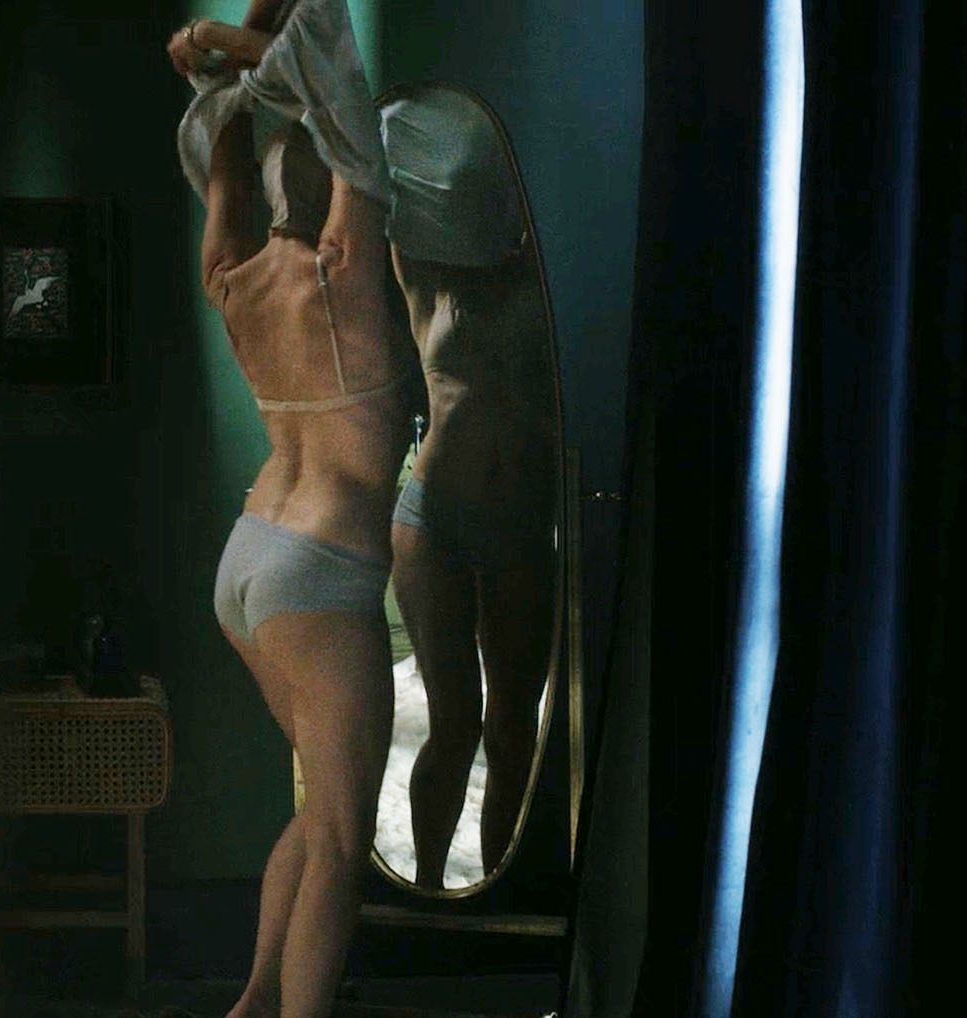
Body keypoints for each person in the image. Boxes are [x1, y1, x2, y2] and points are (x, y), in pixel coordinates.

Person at [167, 2, 414, 1016]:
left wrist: (231, 44)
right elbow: (343, 113)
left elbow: (226, 128)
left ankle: (252, 1003)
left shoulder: (232, 274)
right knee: (345, 841)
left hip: (252, 558)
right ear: (339, 182)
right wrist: (249, 51)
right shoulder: (344, 267)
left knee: (315, 815)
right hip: (320, 567)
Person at [381, 88, 560, 890]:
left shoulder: (546, 268)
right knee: (452, 724)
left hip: (523, 516)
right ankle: (424, 889)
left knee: (513, 724)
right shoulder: (425, 273)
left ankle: (495, 885)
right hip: (434, 515)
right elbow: (379, 181)